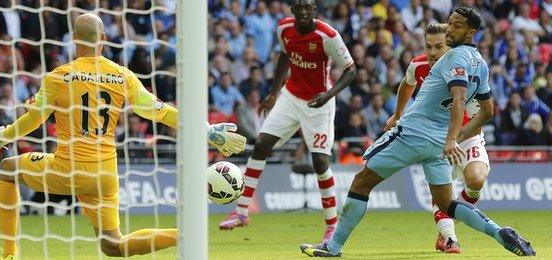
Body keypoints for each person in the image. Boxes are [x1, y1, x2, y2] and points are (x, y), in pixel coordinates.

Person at [0, 13, 246, 259]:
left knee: (8, 168)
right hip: (106, 175)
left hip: (68, 168)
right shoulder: (123, 75)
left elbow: (32, 120)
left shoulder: (58, 77)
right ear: (104, 38)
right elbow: (161, 112)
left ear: (74, 38)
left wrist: (0, 138)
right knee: (114, 245)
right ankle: (186, 236)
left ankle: (10, 254)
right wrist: (206, 129)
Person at [301, 7, 535, 257]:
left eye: (457, 26)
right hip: (436, 144)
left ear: (471, 32)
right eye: (451, 23)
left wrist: (452, 139)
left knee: (361, 182)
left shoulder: (454, 58)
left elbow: (459, 98)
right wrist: (453, 138)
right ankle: (500, 233)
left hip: (413, 134)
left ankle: (333, 246)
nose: (450, 30)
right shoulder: (481, 63)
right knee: (448, 204)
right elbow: (487, 111)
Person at [218, 0, 357, 245]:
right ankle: (241, 212)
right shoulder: (284, 28)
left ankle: (332, 225)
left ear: (314, 11)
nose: (303, 12)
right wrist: (273, 93)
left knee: (320, 161)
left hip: (319, 101)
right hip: (291, 96)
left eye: (308, 8)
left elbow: (350, 69)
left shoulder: (328, 35)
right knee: (261, 144)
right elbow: (284, 56)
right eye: (298, 8)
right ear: (292, 12)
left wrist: (329, 94)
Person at [384, 23, 492, 253]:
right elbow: (406, 83)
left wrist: (461, 134)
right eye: (429, 46)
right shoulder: (419, 64)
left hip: (467, 135)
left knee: (475, 181)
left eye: (439, 46)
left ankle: (447, 224)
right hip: (436, 138)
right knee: (441, 189)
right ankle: (449, 237)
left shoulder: (469, 68)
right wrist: (398, 114)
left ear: (451, 44)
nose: (432, 53)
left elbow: (484, 110)